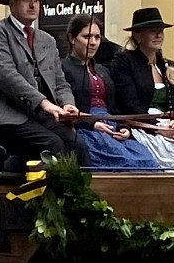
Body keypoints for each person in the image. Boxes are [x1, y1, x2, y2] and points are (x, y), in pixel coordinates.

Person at [0, 0, 78, 167]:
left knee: (76, 142)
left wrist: (67, 104)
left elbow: (60, 82)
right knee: (52, 144)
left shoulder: (47, 40)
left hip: (38, 117)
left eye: (36, 0)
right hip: (5, 118)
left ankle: (84, 187)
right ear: (12, 4)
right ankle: (47, 188)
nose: (33, 5)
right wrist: (44, 103)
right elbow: (7, 77)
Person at [61, 13, 158, 171]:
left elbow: (115, 107)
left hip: (111, 126)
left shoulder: (103, 70)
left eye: (97, 37)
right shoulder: (63, 68)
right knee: (127, 163)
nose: (93, 42)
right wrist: (92, 123)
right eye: (87, 37)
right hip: (85, 129)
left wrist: (123, 128)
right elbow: (64, 108)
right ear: (72, 38)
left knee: (148, 161)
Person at [108, 7, 174, 170]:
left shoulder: (169, 66)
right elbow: (129, 104)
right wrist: (158, 128)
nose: (159, 35)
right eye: (152, 31)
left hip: (169, 126)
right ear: (138, 35)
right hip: (143, 126)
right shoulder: (124, 61)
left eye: (161, 31)